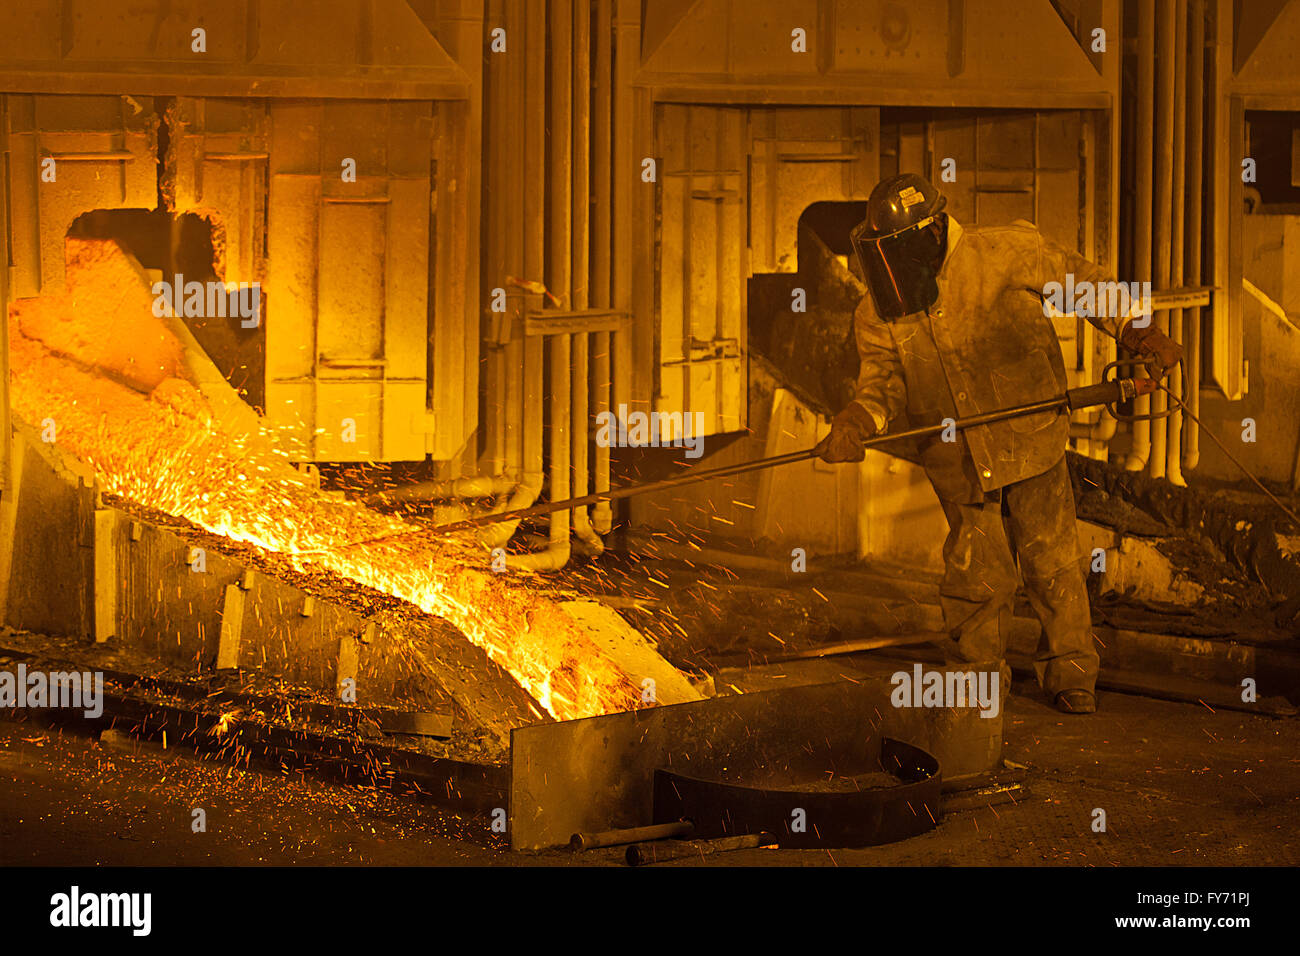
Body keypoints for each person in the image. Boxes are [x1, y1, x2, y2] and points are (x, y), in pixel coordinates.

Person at [816, 173, 1181, 714]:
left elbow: (1080, 281)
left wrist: (1136, 329)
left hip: (1029, 438)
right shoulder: (879, 309)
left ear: (933, 232)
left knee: (1052, 561)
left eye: (900, 248)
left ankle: (1071, 672)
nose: (891, 262)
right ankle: (976, 681)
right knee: (975, 572)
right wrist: (857, 419)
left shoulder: (1007, 251)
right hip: (955, 455)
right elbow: (883, 382)